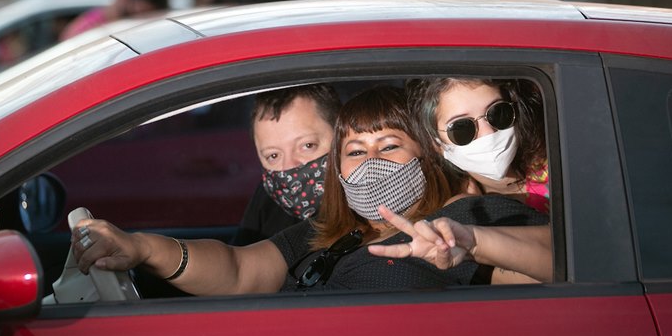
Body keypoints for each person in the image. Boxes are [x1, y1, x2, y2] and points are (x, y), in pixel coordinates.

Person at [72, 85, 549, 294]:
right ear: (338, 171)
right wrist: (140, 248)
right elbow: (238, 270)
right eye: (356, 150)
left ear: (426, 154)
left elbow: (569, 264)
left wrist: (475, 243)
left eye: (389, 145)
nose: (371, 163)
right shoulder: (333, 232)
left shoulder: (464, 220)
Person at [408, 77, 550, 213]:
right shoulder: (466, 211)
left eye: (497, 112)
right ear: (437, 144)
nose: (488, 133)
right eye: (462, 127)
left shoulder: (559, 157)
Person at [230, 84, 341, 246]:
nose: (289, 166)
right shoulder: (267, 198)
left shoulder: (372, 211)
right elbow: (238, 260)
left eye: (307, 145)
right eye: (273, 155)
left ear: (341, 136)